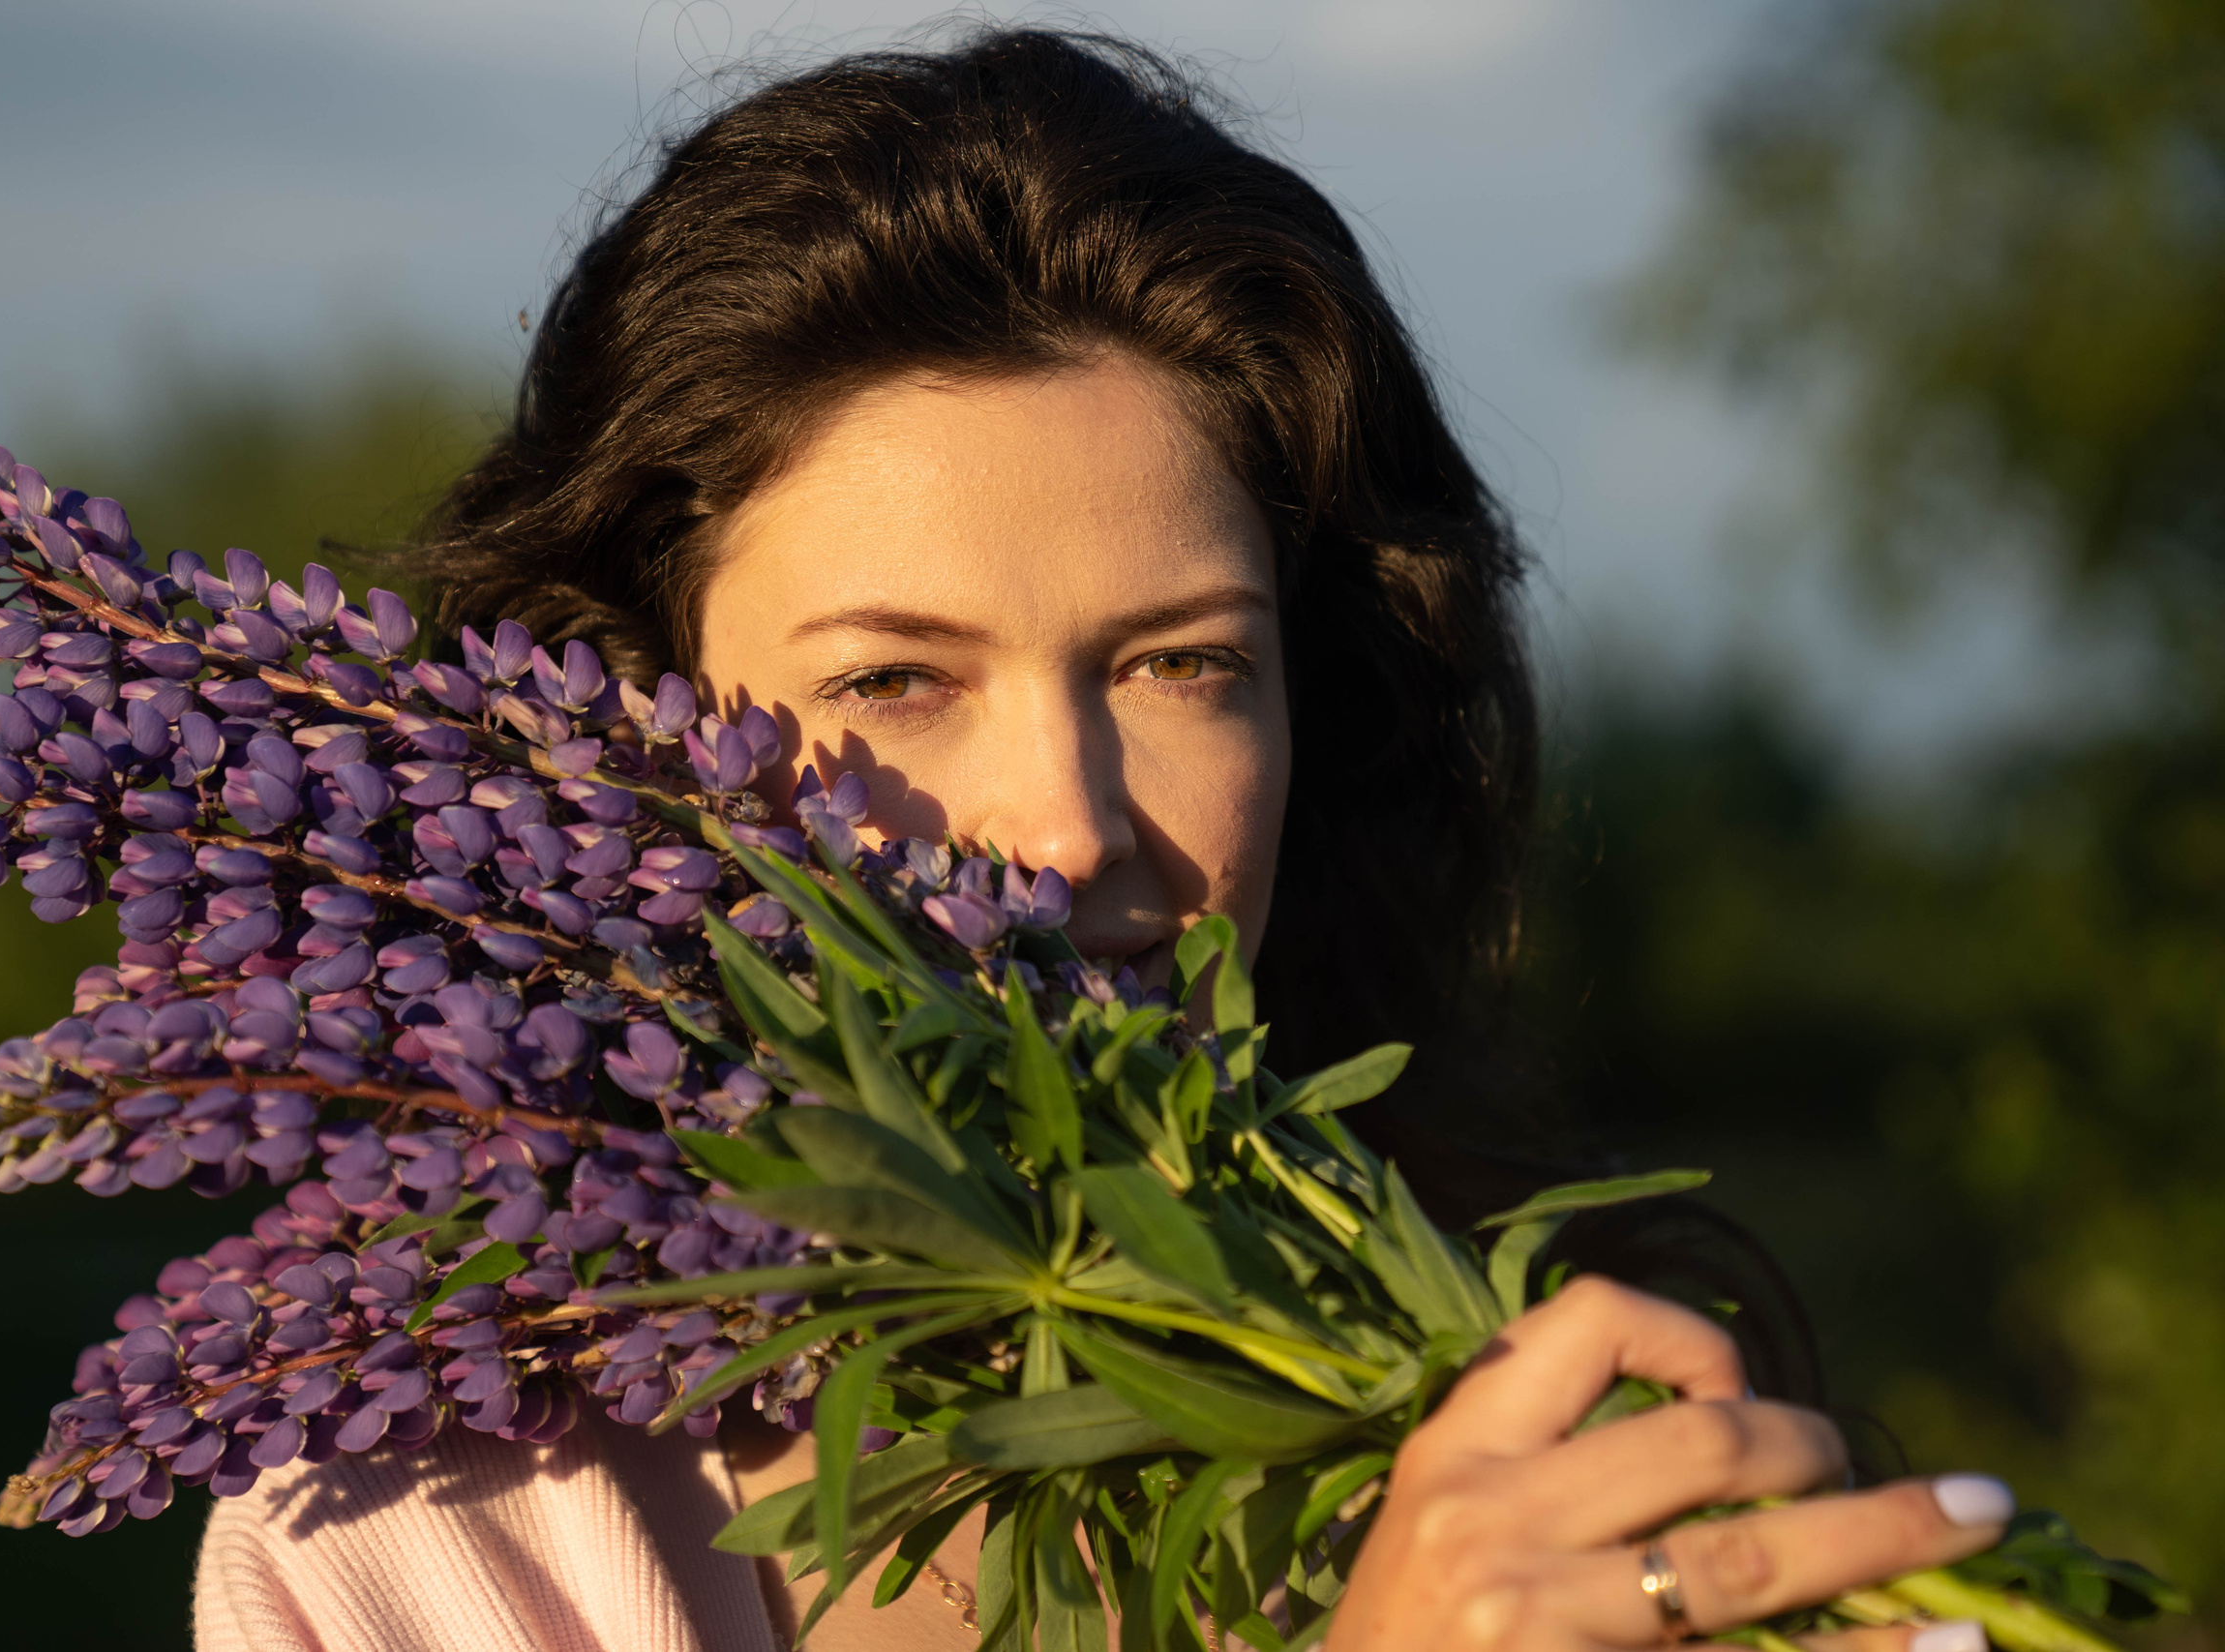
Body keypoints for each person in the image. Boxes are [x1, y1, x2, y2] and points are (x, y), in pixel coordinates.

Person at [194, 28, 2013, 1652]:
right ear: (630, 753)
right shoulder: (413, 1539)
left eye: (1180, 663)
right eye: (900, 680)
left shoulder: (1555, 1395)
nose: (1066, 827)